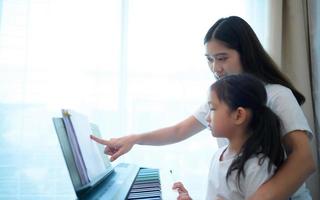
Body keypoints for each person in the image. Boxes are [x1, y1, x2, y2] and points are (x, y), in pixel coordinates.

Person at [90, 16, 316, 200]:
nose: (215, 68)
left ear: (245, 53)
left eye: (222, 58)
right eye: (209, 59)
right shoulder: (222, 101)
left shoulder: (277, 95)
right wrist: (134, 139)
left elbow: (304, 160)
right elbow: (179, 131)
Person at [173, 74, 285, 200]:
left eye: (212, 109)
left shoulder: (256, 167)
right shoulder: (218, 155)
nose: (207, 117)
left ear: (238, 115)